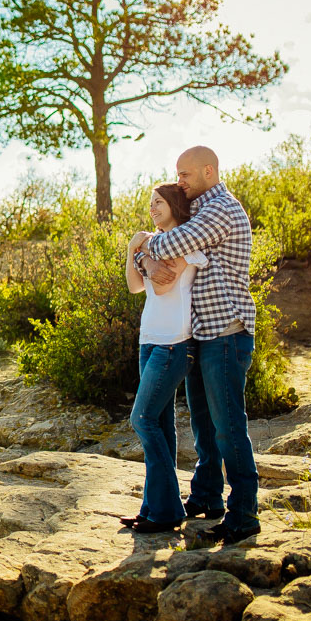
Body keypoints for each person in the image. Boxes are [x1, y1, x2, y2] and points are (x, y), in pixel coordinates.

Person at [134, 146, 260, 544]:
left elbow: (171, 243)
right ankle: (207, 497)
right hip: (202, 334)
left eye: (185, 174)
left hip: (227, 331)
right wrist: (146, 257)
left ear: (209, 171)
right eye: (177, 174)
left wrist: (144, 247)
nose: (180, 181)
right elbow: (163, 251)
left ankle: (244, 514)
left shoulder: (220, 208)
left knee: (228, 427)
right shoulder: (199, 210)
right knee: (205, 426)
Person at [120, 183, 206, 533]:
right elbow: (135, 286)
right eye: (150, 203)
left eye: (159, 202)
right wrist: (132, 252)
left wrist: (144, 253)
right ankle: (153, 508)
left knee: (142, 419)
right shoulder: (153, 243)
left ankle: (168, 509)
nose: (153, 208)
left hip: (175, 343)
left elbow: (165, 283)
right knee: (162, 424)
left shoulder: (188, 240)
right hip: (149, 341)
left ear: (173, 204)